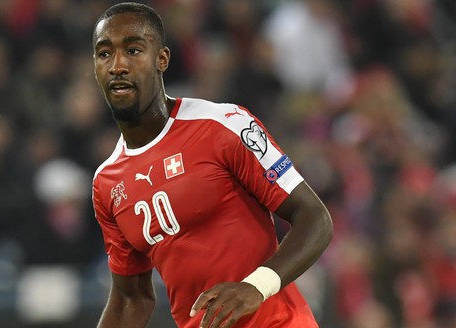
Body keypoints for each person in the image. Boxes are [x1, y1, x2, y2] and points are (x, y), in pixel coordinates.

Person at [91, 2, 333, 328]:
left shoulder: (223, 125)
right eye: (104, 54)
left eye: (133, 50)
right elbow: (131, 299)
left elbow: (315, 218)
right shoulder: (107, 183)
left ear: (161, 59)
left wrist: (255, 287)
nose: (117, 65)